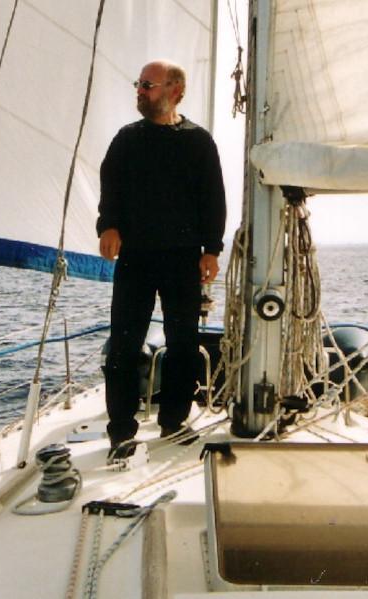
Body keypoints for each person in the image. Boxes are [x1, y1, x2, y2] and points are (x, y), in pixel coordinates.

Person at [96, 59, 226, 458]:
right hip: (135, 257)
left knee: (183, 344)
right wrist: (108, 226)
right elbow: (110, 187)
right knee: (124, 344)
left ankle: (174, 420)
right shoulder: (126, 139)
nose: (140, 91)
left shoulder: (199, 142)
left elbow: (213, 198)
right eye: (138, 84)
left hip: (183, 259)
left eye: (147, 85)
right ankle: (121, 430)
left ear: (175, 91)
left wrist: (212, 249)